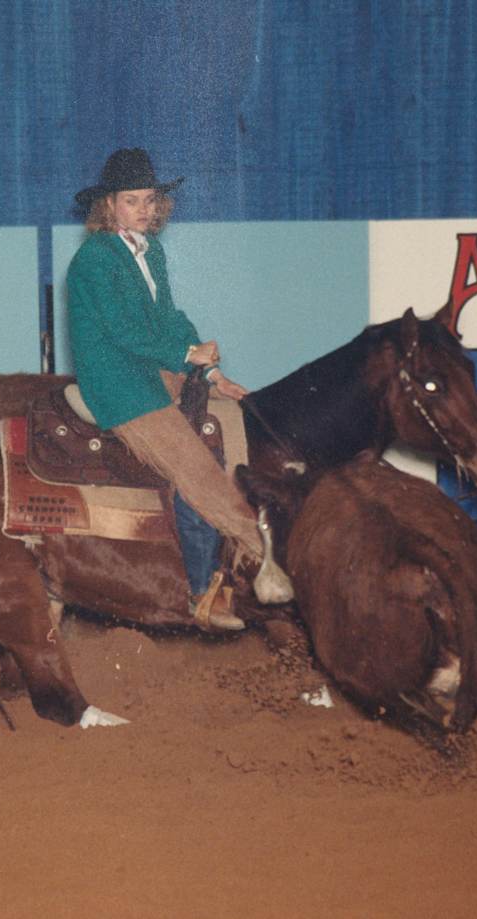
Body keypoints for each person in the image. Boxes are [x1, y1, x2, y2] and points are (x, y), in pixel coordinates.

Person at [66, 147, 293, 631]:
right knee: (196, 469)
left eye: (149, 200)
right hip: (120, 384)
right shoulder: (94, 259)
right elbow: (124, 330)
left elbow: (169, 319)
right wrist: (188, 355)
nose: (143, 210)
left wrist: (210, 374)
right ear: (109, 206)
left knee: (232, 427)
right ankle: (223, 579)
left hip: (152, 370)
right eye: (131, 201)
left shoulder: (151, 251)